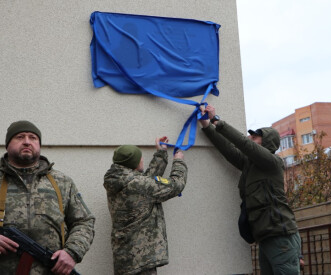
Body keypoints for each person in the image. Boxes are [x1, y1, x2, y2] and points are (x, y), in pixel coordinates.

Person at [199, 105, 301, 274]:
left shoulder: (272, 162)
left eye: (256, 137)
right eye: (251, 135)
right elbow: (229, 150)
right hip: (266, 237)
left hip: (280, 236)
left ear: (267, 143)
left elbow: (245, 145)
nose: (251, 137)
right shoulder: (249, 164)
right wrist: (206, 126)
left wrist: (217, 120)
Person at [0, 120, 95, 275]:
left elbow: (84, 221)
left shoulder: (62, 182)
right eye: (19, 137)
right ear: (7, 144)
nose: (26, 142)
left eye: (33, 137)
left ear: (39, 144)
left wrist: (71, 252)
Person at [103, 136, 187, 275]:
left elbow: (145, 184)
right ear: (133, 163)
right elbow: (176, 185)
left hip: (125, 258)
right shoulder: (138, 184)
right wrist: (178, 161)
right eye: (140, 158)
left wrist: (161, 153)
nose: (142, 160)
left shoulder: (117, 180)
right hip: (141, 261)